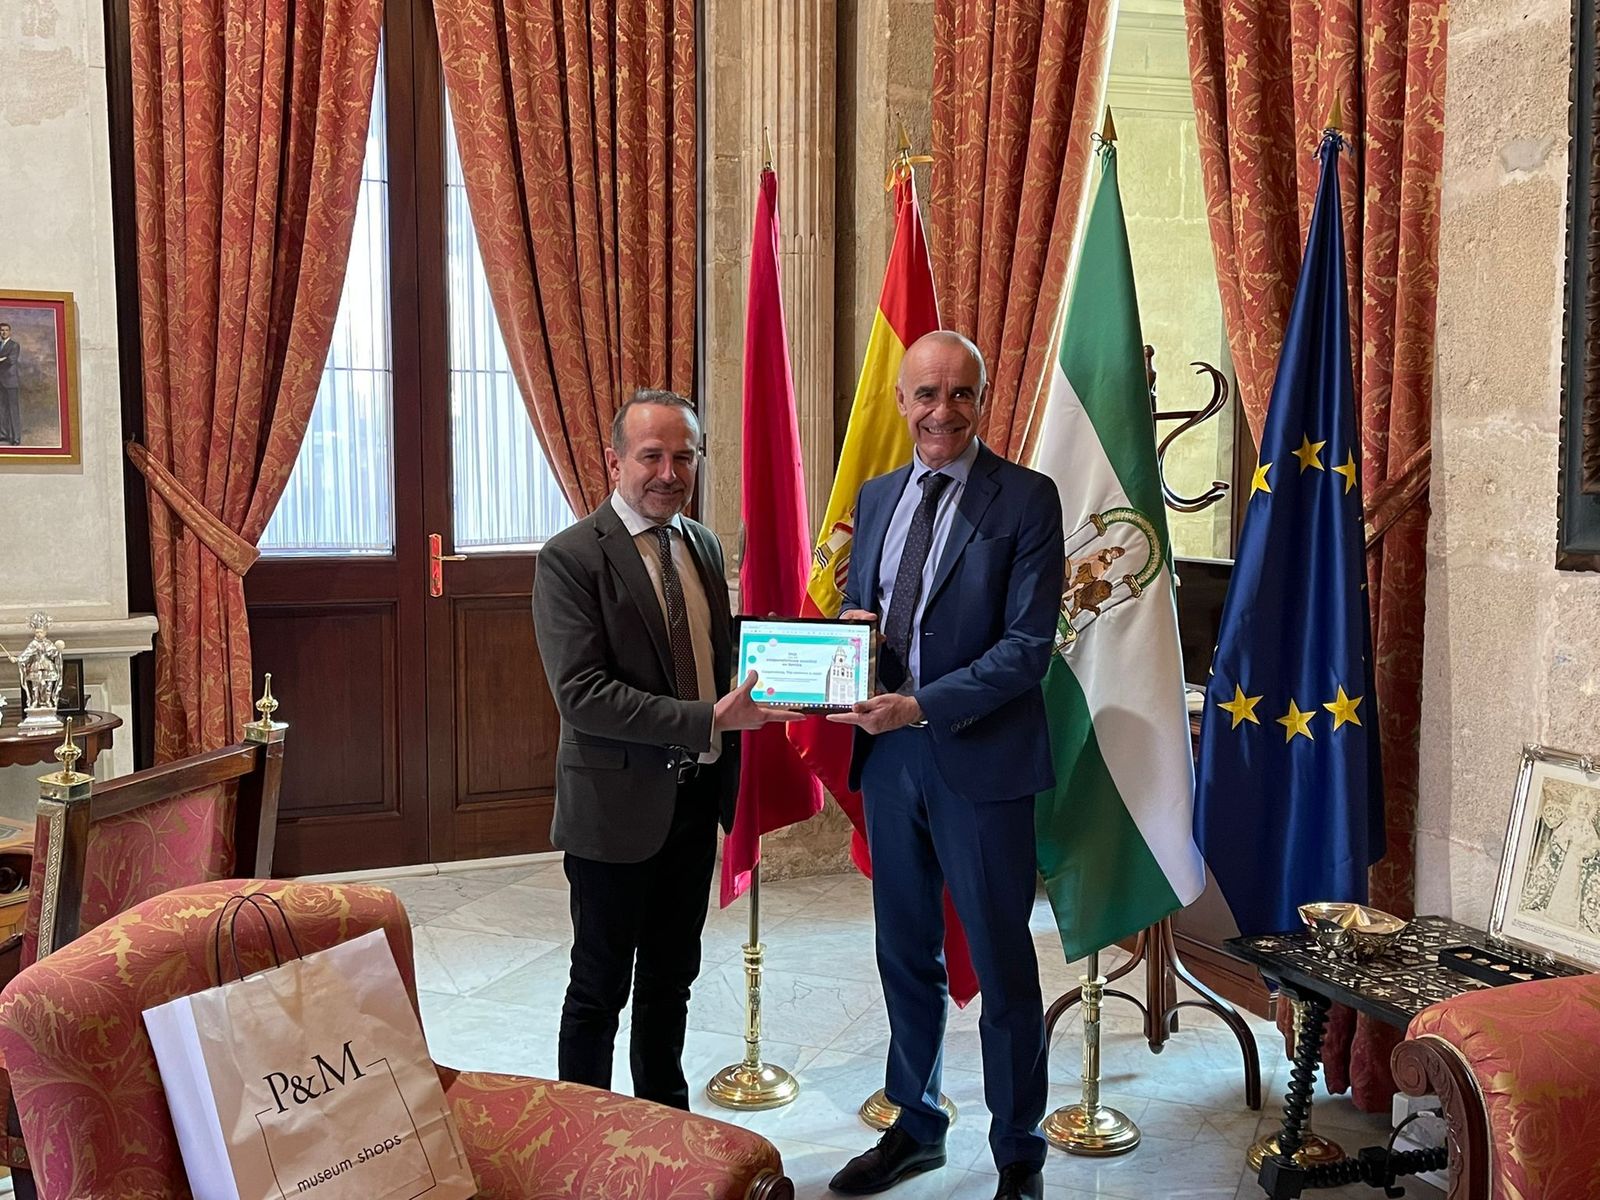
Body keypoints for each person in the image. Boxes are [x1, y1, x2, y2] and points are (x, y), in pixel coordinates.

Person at [827, 331, 1064, 1200]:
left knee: (1003, 963)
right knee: (903, 952)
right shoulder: (880, 493)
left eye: (961, 393)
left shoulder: (1028, 499)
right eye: (927, 394)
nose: (943, 411)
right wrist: (850, 643)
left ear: (983, 400)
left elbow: (1028, 650)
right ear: (901, 401)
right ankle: (916, 1124)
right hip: (891, 760)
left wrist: (920, 703)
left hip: (983, 760)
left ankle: (1018, 1156)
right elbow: (869, 605)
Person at [532, 388, 799, 1111]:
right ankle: (583, 1134)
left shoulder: (701, 543)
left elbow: (722, 650)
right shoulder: (569, 558)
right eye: (651, 455)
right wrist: (708, 716)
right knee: (598, 987)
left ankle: (663, 1120)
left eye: (684, 456)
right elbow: (581, 694)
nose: (669, 472)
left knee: (670, 980)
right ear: (614, 460)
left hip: (694, 800)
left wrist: (820, 663)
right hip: (614, 813)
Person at [0, 323, 21, 446]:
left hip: (10, 382)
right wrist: (3, 358)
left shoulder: (14, 345)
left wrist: (2, 359)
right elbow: (5, 359)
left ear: (10, 332)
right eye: (1, 330)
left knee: (13, 410)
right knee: (1, 409)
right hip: (0, 382)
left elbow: (11, 360)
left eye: (6, 330)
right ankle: (3, 434)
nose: (4, 332)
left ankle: (16, 437)